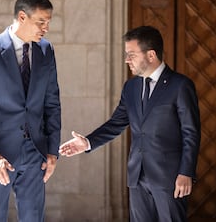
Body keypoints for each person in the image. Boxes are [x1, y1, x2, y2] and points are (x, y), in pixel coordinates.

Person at [59, 25, 201, 222]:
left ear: (151, 55)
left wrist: (186, 172)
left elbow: (191, 133)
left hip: (169, 178)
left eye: (131, 54)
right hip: (137, 176)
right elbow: (117, 123)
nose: (127, 60)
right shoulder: (131, 87)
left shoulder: (181, 85)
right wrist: (88, 142)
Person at [0, 0, 61, 222]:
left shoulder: (46, 51)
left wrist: (51, 150)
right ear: (21, 17)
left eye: (48, 22)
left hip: (34, 154)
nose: (45, 28)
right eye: (41, 22)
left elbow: (52, 103)